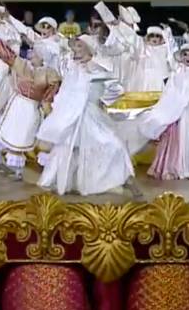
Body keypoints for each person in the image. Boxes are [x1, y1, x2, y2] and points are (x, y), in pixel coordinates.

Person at [36, 36, 139, 197]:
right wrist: (58, 110)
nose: (76, 49)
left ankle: (106, 181)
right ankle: (71, 181)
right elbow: (66, 91)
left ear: (88, 48)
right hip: (71, 115)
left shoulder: (98, 68)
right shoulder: (72, 68)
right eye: (75, 46)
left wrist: (102, 100)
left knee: (112, 145)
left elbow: (115, 89)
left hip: (90, 114)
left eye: (80, 45)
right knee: (69, 149)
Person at [133, 43, 189, 180]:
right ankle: (180, 167)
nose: (187, 57)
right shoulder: (176, 74)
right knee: (180, 140)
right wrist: (170, 110)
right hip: (179, 113)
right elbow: (170, 94)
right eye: (184, 54)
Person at [0, 40, 60, 181]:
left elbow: (49, 97)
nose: (31, 54)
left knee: (21, 139)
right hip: (16, 106)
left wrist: (50, 116)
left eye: (35, 53)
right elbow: (7, 55)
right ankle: (4, 165)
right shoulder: (26, 66)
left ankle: (20, 172)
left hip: (30, 109)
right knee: (4, 132)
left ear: (43, 57)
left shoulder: (49, 74)